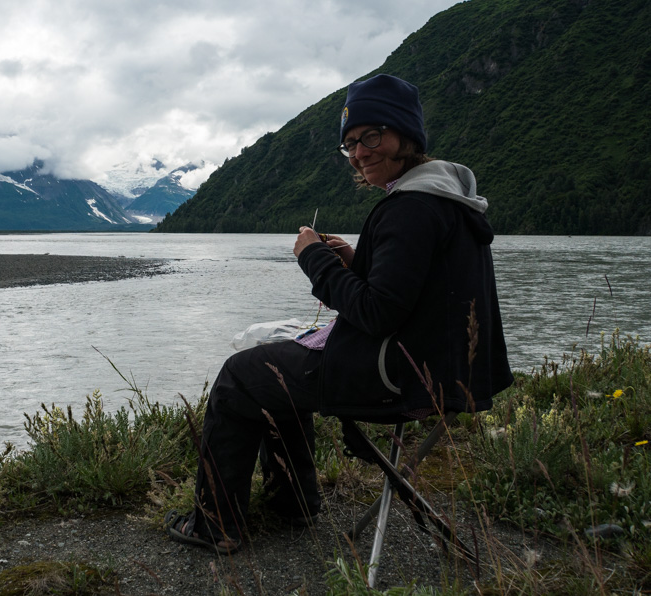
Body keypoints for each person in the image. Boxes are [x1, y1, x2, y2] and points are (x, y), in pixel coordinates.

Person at [165, 74, 514, 555]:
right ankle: (293, 504)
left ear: (406, 136)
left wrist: (315, 259)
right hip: (445, 374)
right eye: (350, 143)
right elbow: (417, 290)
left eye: (373, 136)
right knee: (271, 365)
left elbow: (375, 313)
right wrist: (357, 262)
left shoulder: (408, 208)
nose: (360, 152)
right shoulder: (446, 201)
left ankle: (215, 523)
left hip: (395, 379)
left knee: (241, 375)